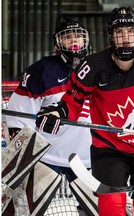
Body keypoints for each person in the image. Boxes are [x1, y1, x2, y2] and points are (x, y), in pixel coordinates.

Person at [34, 6, 134, 216]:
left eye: (130, 32)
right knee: (111, 208)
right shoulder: (93, 66)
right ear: (110, 37)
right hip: (109, 148)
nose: (125, 38)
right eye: (119, 33)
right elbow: (73, 102)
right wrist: (58, 113)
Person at [6, 18, 93, 213]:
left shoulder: (99, 68)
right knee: (23, 210)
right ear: (57, 44)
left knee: (103, 211)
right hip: (47, 157)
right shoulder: (41, 70)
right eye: (67, 37)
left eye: (78, 36)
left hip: (88, 159)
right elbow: (18, 116)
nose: (73, 41)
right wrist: (23, 158)